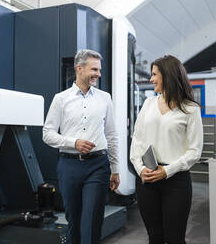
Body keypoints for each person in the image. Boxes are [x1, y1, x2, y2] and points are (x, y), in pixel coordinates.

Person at [42, 49, 120, 244]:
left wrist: (116, 169)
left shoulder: (105, 98)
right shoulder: (61, 99)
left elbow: (111, 135)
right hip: (69, 166)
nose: (98, 74)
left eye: (99, 70)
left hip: (98, 165)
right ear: (80, 68)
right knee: (74, 221)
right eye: (94, 69)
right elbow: (47, 134)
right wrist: (73, 142)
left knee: (92, 221)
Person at [130, 55, 203, 244]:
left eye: (155, 74)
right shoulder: (148, 104)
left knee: (175, 238)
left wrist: (167, 171)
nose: (151, 79)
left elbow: (195, 151)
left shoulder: (190, 108)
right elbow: (137, 141)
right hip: (147, 178)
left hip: (176, 181)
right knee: (155, 237)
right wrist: (140, 169)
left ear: (168, 76)